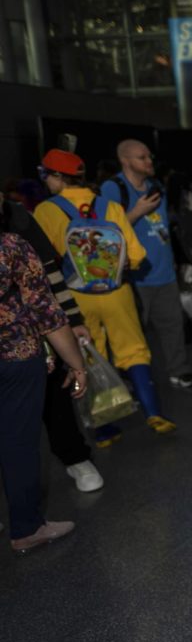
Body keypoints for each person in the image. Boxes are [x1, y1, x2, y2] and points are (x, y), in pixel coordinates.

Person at [33, 149, 176, 440]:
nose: (45, 181)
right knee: (134, 349)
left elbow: (41, 261)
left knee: (90, 354)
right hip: (117, 291)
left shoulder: (47, 210)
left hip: (76, 297)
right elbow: (137, 255)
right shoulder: (109, 206)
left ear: (59, 177)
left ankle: (104, 428)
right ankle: (153, 412)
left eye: (46, 175)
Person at [1, 195, 103, 491]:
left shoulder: (18, 219)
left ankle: (75, 458)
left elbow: (49, 277)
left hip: (30, 342)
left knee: (55, 396)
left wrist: (73, 319)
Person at [1, 231, 89, 552]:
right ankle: (27, 527)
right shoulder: (10, 246)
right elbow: (44, 311)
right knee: (18, 443)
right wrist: (76, 363)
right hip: (14, 358)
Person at [100, 139, 192, 389]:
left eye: (149, 157)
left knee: (173, 325)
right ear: (125, 160)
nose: (148, 161)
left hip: (164, 272)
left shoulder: (155, 186)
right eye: (141, 158)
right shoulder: (112, 189)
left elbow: (162, 226)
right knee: (132, 332)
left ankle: (179, 370)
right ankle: (131, 376)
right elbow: (105, 232)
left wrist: (174, 261)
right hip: (134, 275)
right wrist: (136, 212)